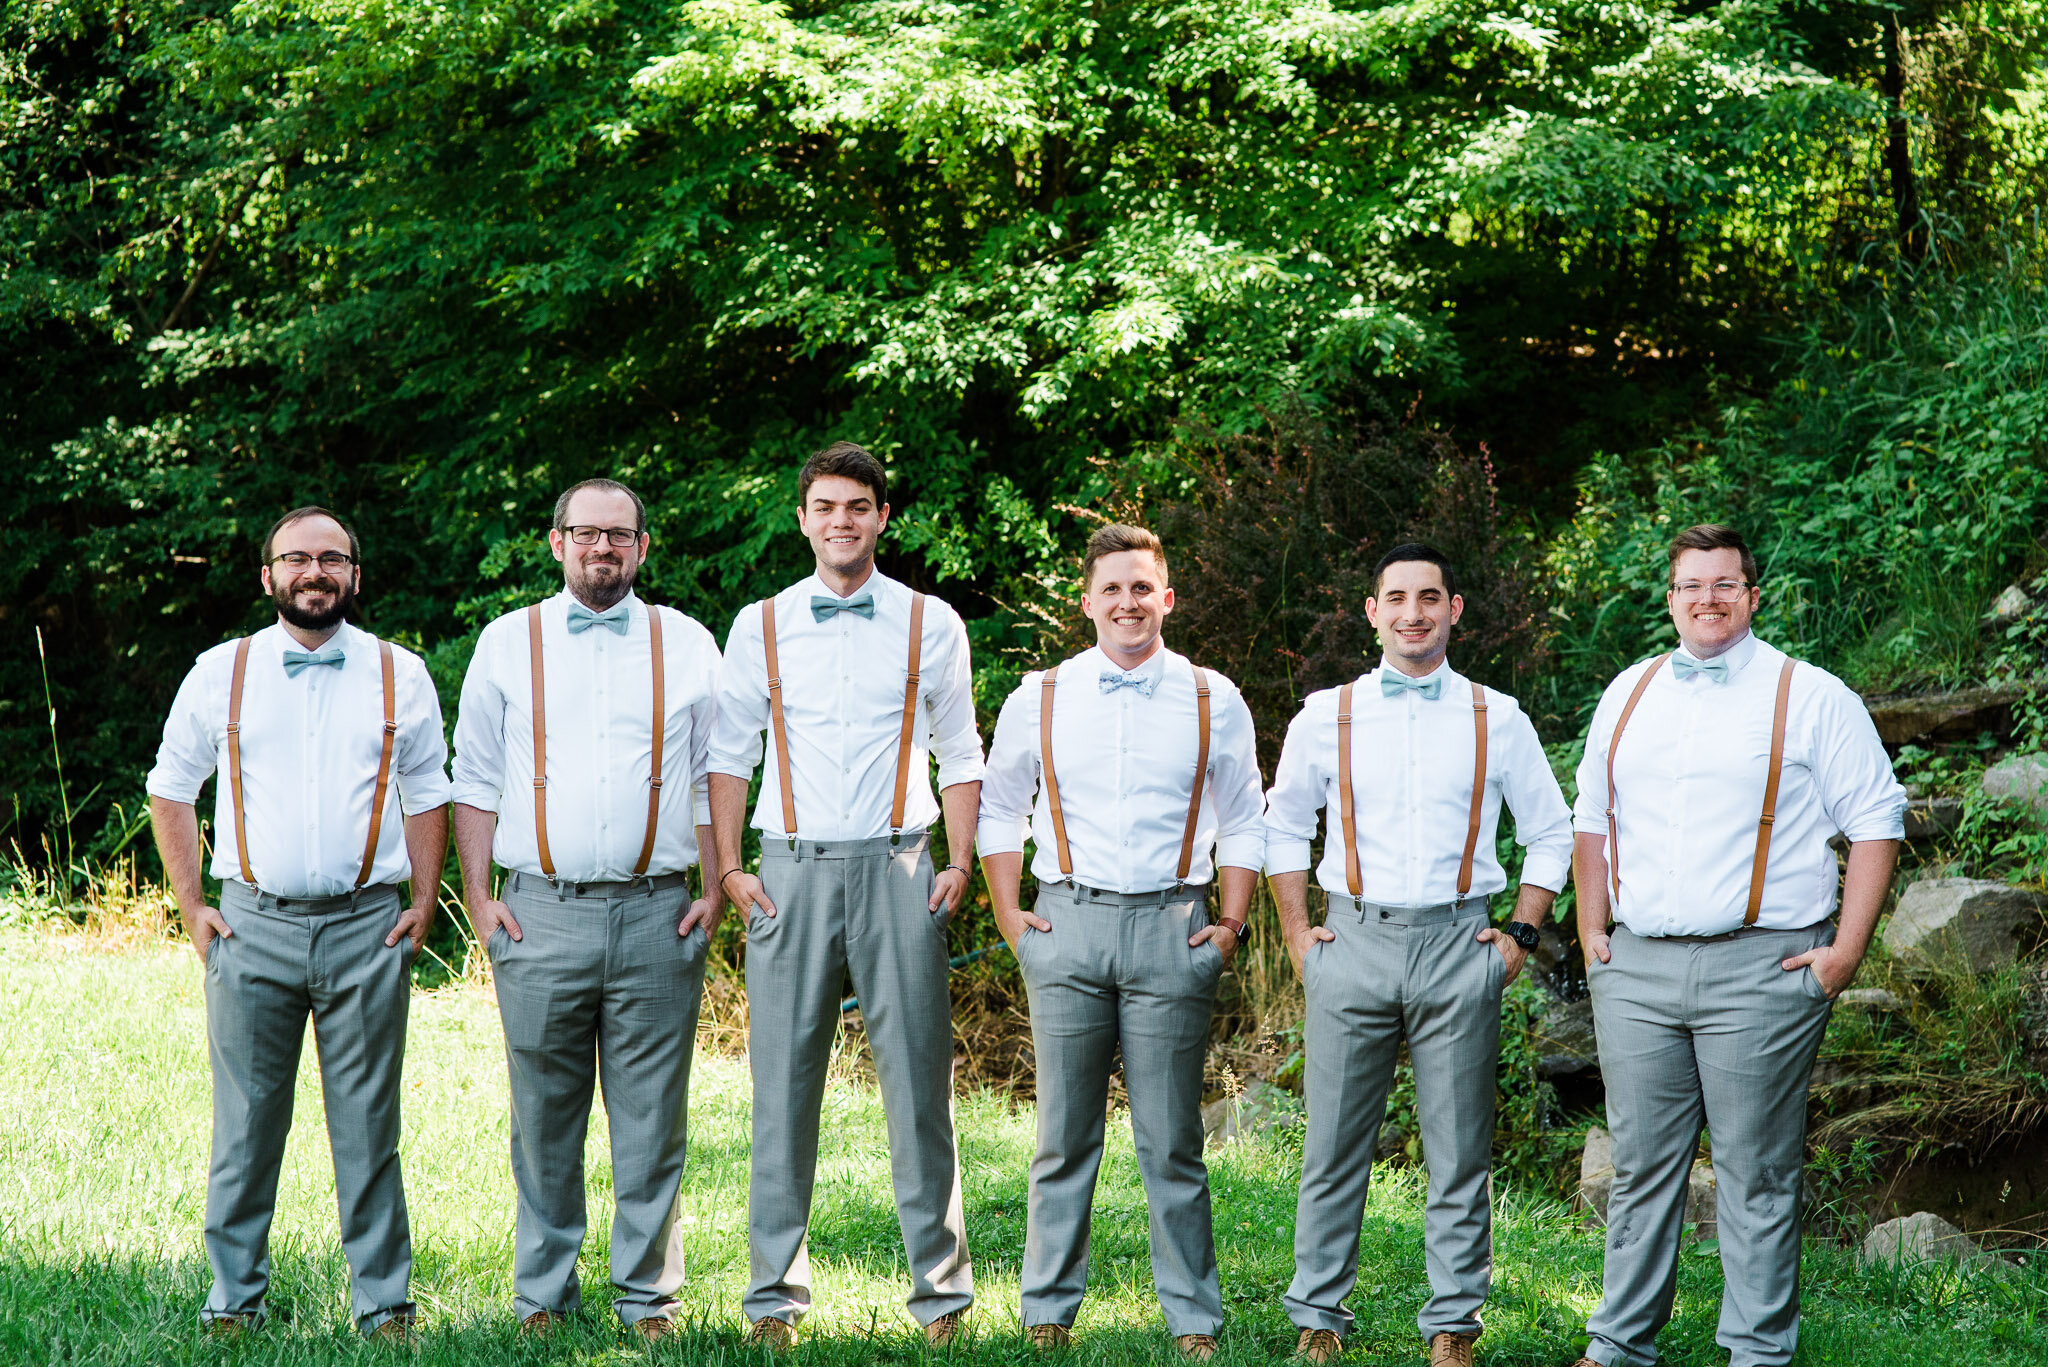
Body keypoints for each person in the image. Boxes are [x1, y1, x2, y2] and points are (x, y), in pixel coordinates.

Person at [1564, 524, 1904, 1367]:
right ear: (1672, 597)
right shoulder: (1630, 691)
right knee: (1641, 1166)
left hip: (1764, 965)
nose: (1707, 598)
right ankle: (1618, 1346)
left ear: (1752, 595)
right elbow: (1591, 815)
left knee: (1757, 1172)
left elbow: (1876, 820)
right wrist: (1592, 927)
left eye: (1724, 583)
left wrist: (1845, 952)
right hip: (1637, 966)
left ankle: (1755, 1352)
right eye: (1691, 584)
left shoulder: (1811, 694)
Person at [1264, 543, 1573, 1367]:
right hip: (1351, 938)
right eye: (1396, 597)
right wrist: (1298, 933)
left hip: (1458, 943)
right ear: (1372, 612)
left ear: (1454, 609)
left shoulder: (1495, 716)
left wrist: (1523, 933)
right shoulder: (1325, 713)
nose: (1413, 612)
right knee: (1332, 1142)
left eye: (1429, 597)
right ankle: (1319, 1315)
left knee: (1459, 1146)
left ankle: (1453, 1326)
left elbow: (1551, 831)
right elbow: (1284, 825)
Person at [146, 506, 450, 1341]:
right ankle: (233, 1300)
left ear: (355, 574)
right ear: (268, 576)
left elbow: (428, 792)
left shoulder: (399, 673)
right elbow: (172, 787)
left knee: (369, 1125)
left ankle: (384, 1304)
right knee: (245, 1124)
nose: (315, 572)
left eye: (332, 559)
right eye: (297, 559)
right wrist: (192, 905)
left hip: (366, 928)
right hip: (251, 927)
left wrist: (423, 903)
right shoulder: (222, 672)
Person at [710, 442, 982, 1350]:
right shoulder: (760, 623)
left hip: (901, 868)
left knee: (917, 1088)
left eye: (858, 506)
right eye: (825, 506)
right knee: (783, 1087)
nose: (841, 521)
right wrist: (731, 867)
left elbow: (960, 749)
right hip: (787, 870)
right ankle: (773, 1301)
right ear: (802, 518)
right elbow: (728, 754)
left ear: (881, 518)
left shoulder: (929, 622)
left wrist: (960, 858)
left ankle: (941, 1299)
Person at [978, 523, 1266, 1362]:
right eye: (1112, 588)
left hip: (1174, 928)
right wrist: (1006, 915)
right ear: (1087, 600)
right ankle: (1048, 1310)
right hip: (1066, 924)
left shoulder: (1214, 697)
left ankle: (1193, 1320)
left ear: (1166, 598)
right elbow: (1000, 807)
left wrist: (1231, 923)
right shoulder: (1042, 693)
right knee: (1064, 1135)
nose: (1128, 602)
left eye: (1142, 588)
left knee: (1171, 1138)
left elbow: (1247, 815)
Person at [450, 478, 725, 1343]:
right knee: (543, 1115)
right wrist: (479, 898)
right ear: (556, 541)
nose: (602, 547)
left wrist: (717, 884)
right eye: (585, 533)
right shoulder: (507, 641)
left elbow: (714, 774)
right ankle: (542, 1294)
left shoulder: (686, 642)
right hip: (540, 913)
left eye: (619, 534)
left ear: (643, 547)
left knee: (652, 1115)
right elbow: (475, 780)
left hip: (658, 912)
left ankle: (648, 1298)